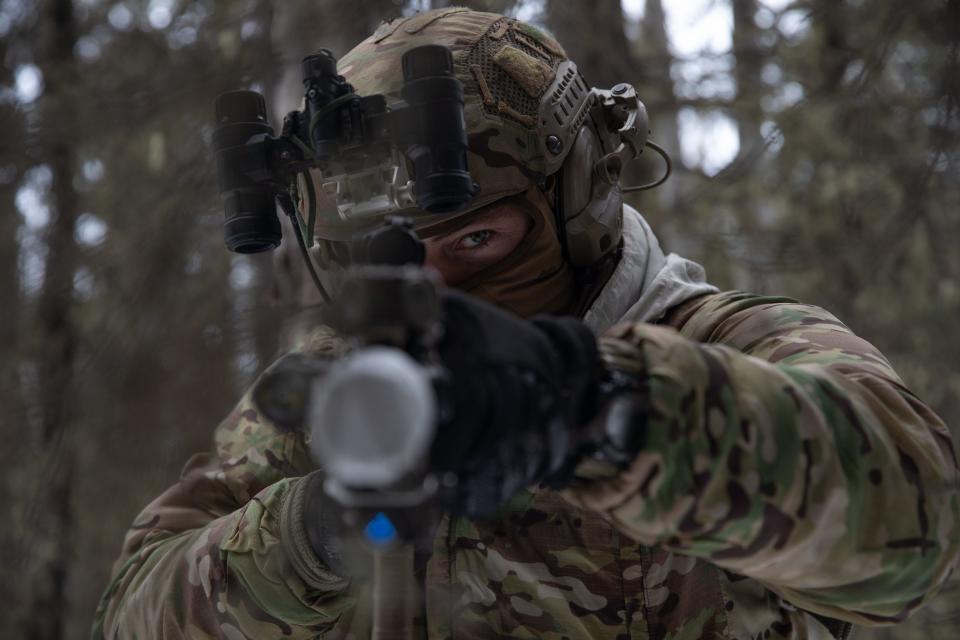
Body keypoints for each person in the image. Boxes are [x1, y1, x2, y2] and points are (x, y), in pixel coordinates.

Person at [92, 8, 959, 639]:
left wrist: (592, 411)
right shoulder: (331, 398)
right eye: (384, 256)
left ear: (577, 203)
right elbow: (134, 609)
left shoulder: (732, 346)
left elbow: (920, 528)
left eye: (476, 239)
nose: (435, 289)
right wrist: (312, 533)